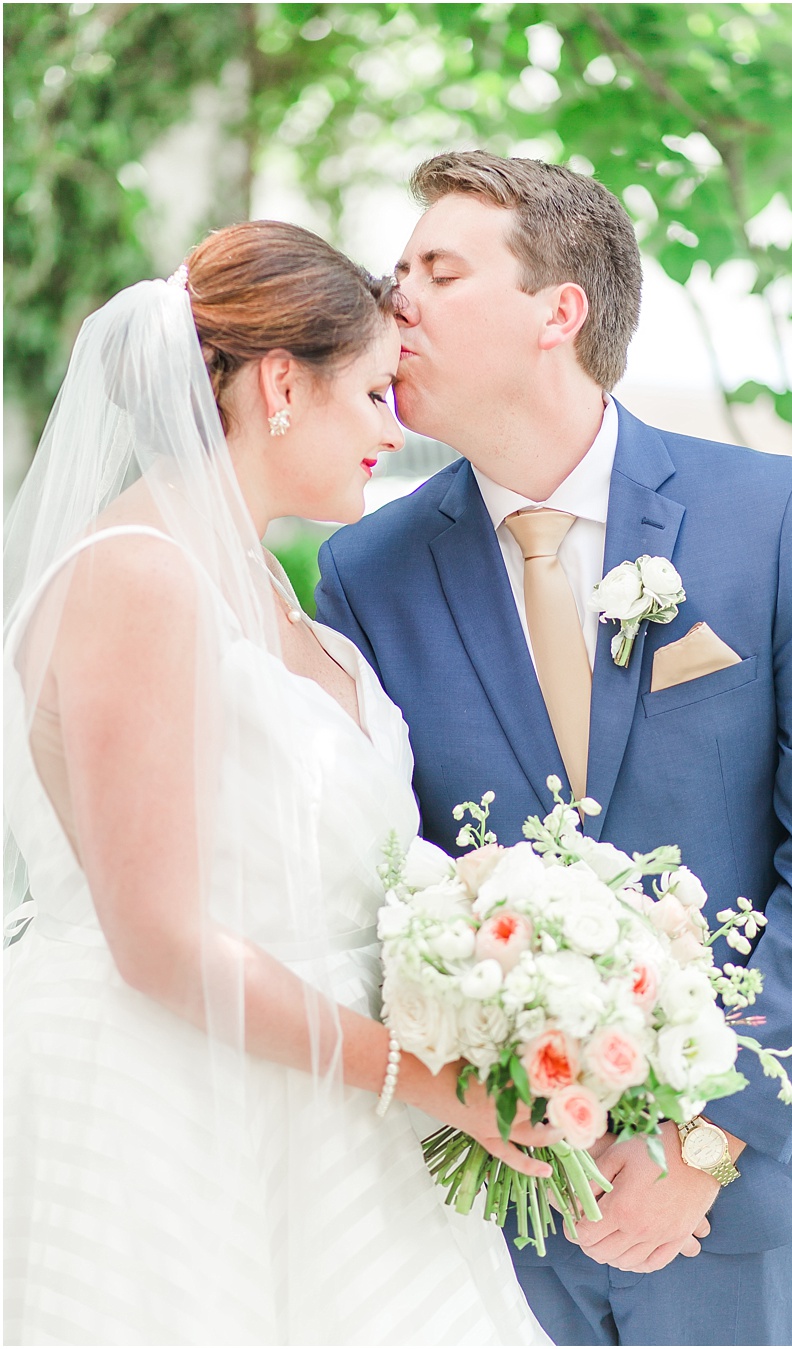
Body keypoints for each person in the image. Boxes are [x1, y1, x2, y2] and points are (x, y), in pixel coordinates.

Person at [313, 151, 792, 1347]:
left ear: (557, 310)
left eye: (439, 268)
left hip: (739, 1177)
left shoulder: (777, 516)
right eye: (396, 269)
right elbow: (382, 872)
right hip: (495, 1185)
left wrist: (704, 1134)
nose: (396, 299)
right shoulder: (365, 573)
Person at [3, 221, 552, 1343]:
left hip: (329, 1116)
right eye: (373, 394)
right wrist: (428, 1078)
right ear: (281, 385)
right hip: (174, 1120)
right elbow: (158, 940)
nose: (392, 434)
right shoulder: (139, 576)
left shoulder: (256, 574)